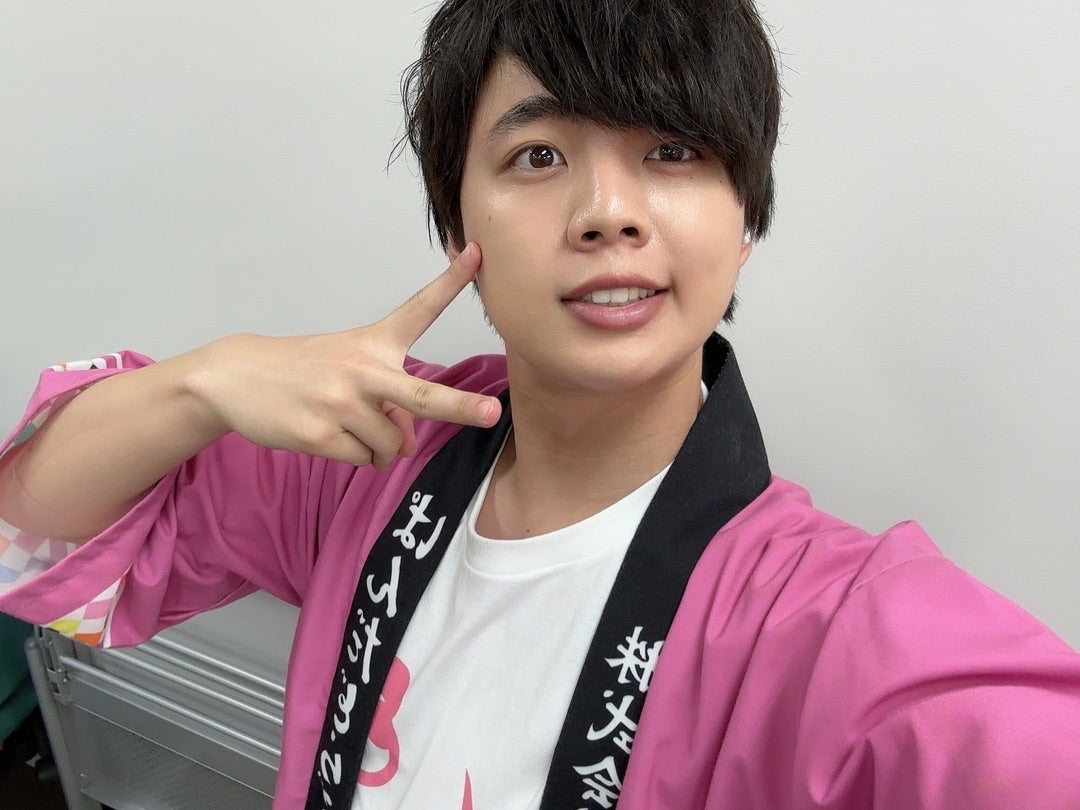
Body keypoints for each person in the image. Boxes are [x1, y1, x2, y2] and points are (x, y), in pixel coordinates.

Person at [1, 0, 1079, 807]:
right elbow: (33, 526)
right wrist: (203, 380)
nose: (607, 211)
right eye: (539, 154)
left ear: (744, 216)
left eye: (671, 150)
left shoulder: (823, 627)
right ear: (456, 224)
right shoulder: (377, 454)